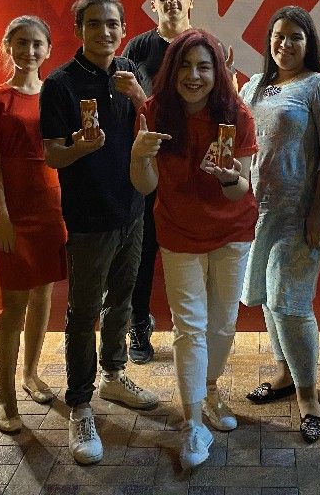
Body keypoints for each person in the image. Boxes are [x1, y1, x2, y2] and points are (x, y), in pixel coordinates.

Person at [130, 29, 258, 470]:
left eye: (204, 66)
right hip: (178, 231)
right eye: (185, 65)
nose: (194, 75)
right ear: (171, 69)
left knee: (222, 325)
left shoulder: (236, 114)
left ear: (217, 71)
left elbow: (240, 190)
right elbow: (144, 185)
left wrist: (228, 177)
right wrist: (138, 155)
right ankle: (192, 422)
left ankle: (210, 388)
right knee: (190, 328)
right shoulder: (153, 111)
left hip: (232, 231)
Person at [40, 0, 158, 465]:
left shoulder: (131, 72)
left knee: (122, 299)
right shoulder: (60, 84)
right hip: (89, 217)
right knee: (84, 310)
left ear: (124, 28)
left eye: (112, 24)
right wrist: (79, 149)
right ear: (79, 30)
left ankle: (113, 375)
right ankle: (80, 403)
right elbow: (52, 154)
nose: (104, 32)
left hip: (132, 209)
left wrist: (140, 96)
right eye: (94, 23)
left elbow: (155, 126)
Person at [240, 5, 320, 444]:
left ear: (310, 43)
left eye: (295, 37)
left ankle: (309, 398)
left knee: (291, 303)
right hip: (258, 213)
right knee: (270, 299)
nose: (285, 44)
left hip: (299, 214)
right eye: (278, 36)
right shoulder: (255, 85)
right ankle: (285, 373)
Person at [0, 16, 68, 434]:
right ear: (8, 47)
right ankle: (6, 395)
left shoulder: (58, 94)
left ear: (48, 49)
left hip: (52, 202)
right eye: (21, 43)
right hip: (14, 208)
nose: (29, 51)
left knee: (43, 293)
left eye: (37, 44)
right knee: (13, 303)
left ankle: (31, 374)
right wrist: (1, 216)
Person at [120, 0, 196, 364]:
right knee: (143, 249)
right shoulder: (137, 48)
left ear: (190, 1)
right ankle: (138, 323)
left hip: (191, 167)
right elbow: (126, 108)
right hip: (148, 165)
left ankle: (195, 329)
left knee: (191, 251)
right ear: (153, 4)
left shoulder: (203, 46)